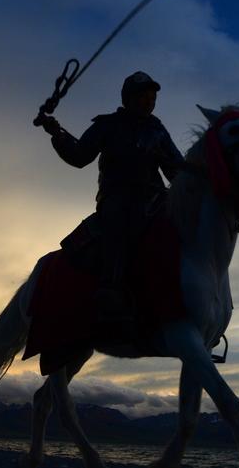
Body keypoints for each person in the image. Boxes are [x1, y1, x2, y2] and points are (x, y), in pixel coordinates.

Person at [39, 71, 184, 322]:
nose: (150, 101)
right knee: (122, 221)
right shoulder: (106, 125)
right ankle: (111, 287)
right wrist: (58, 135)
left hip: (156, 197)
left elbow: (176, 170)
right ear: (129, 98)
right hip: (118, 197)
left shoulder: (157, 130)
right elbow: (79, 156)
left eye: (152, 97)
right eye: (144, 96)